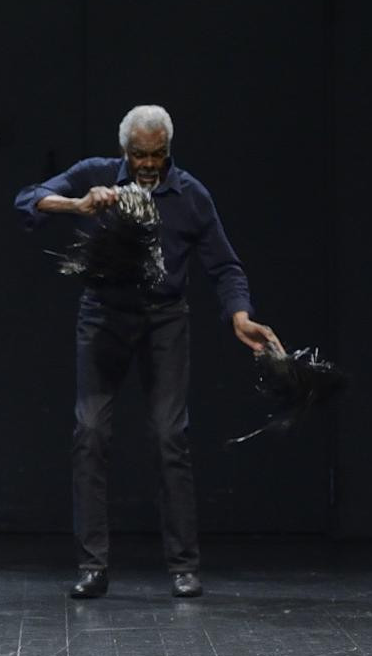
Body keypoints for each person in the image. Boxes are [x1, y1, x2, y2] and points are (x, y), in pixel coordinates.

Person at [15, 104, 281, 600]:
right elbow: (28, 200)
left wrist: (239, 315)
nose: (149, 164)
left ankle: (184, 566)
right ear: (125, 150)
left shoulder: (190, 194)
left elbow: (224, 266)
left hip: (164, 320)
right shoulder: (94, 175)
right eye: (140, 154)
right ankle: (92, 565)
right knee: (90, 431)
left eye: (157, 154)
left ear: (168, 151)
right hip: (104, 316)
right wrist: (78, 206)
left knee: (168, 435)